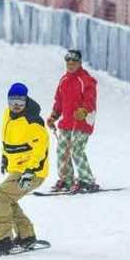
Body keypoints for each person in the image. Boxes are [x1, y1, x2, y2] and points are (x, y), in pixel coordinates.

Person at [0, 83, 48, 255]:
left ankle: (3, 240)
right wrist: (5, 158)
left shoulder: (34, 122)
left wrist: (29, 172)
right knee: (8, 200)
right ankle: (26, 235)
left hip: (32, 172)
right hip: (17, 168)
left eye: (20, 100)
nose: (16, 104)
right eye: (12, 100)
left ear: (26, 100)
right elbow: (8, 140)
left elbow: (41, 152)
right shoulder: (8, 115)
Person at [46, 49, 99, 193]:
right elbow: (59, 101)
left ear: (80, 63)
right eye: (68, 62)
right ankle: (67, 179)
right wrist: (53, 116)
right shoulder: (64, 80)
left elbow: (90, 100)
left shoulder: (86, 80)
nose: (70, 65)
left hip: (83, 121)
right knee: (62, 150)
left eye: (74, 62)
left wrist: (84, 110)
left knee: (76, 149)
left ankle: (87, 180)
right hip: (67, 122)